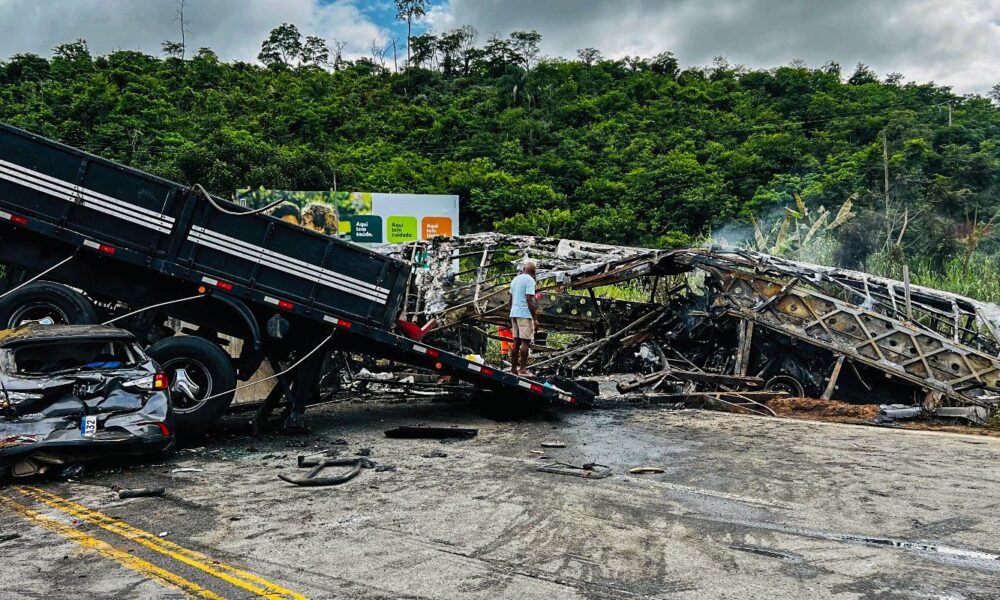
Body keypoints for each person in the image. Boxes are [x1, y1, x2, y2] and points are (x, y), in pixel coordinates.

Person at [508, 260, 538, 375]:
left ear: (524, 269)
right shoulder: (529, 280)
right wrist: (534, 318)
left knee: (516, 342)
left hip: (514, 313)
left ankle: (513, 369)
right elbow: (529, 299)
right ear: (533, 271)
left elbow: (510, 299)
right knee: (526, 342)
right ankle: (523, 369)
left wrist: (512, 311)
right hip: (524, 313)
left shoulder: (515, 280)